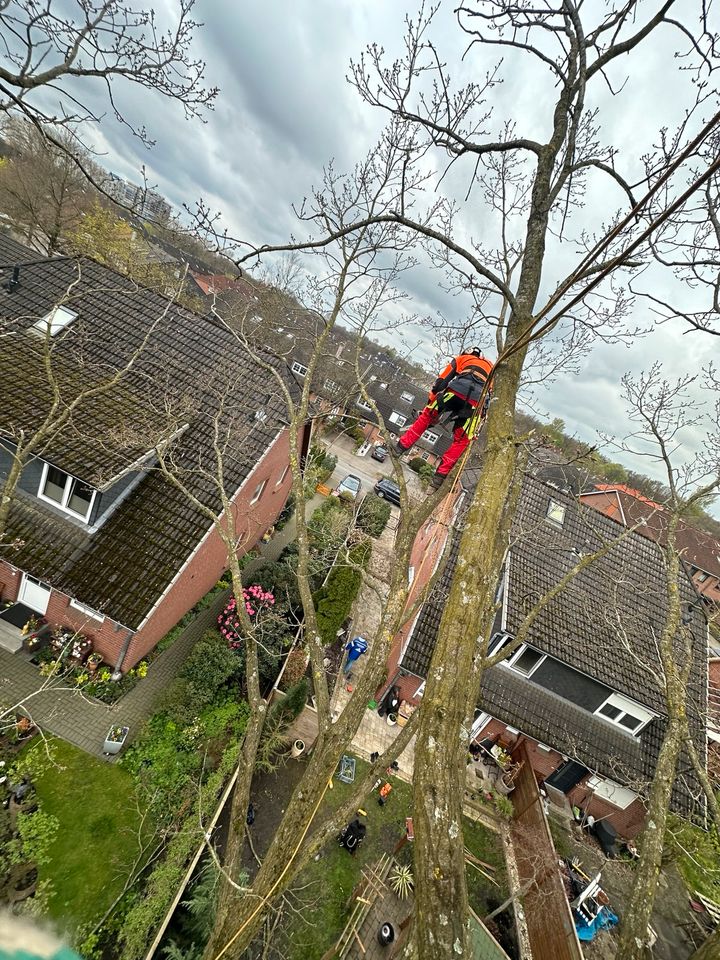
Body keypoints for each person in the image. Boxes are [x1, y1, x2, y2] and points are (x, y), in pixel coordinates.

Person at [396, 347, 493, 487]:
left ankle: (401, 446)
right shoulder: (491, 369)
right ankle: (439, 477)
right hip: (475, 404)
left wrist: (430, 406)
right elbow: (488, 397)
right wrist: (481, 418)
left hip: (455, 391)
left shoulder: (461, 359)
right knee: (462, 439)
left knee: (426, 417)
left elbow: (440, 383)